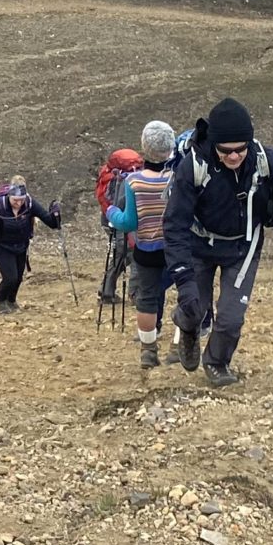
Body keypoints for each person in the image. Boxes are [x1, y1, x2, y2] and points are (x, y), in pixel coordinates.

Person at [162, 97, 273, 387]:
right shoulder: (193, 166)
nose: (234, 156)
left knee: (230, 317)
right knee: (193, 307)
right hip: (198, 244)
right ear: (214, 144)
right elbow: (175, 225)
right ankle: (187, 328)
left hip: (243, 245)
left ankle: (216, 361)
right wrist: (183, 278)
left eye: (240, 149)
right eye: (226, 151)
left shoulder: (267, 161)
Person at [109, 121, 177, 366]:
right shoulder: (178, 177)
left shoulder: (133, 182)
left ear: (144, 147)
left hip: (147, 250)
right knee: (187, 296)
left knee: (147, 299)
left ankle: (149, 351)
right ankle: (179, 347)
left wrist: (112, 214)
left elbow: (128, 222)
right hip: (177, 249)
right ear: (171, 147)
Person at [0, 175, 62, 312]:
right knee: (10, 277)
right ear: (9, 196)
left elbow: (52, 224)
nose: (19, 203)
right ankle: (0, 300)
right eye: (15, 200)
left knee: (18, 278)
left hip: (20, 246)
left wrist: (55, 214)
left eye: (21, 200)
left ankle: (11, 300)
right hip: (0, 246)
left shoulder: (30, 203)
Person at [92, 144, 142, 311]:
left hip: (110, 220)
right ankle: (135, 294)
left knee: (121, 255)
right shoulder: (124, 180)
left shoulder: (111, 175)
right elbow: (123, 204)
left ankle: (106, 291)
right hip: (122, 222)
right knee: (134, 255)